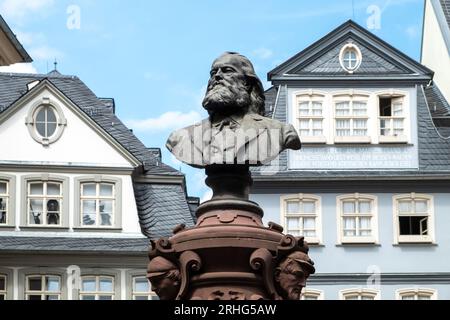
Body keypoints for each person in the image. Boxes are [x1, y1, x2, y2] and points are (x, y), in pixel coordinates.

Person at [166, 52, 301, 168]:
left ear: (247, 83)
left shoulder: (281, 131)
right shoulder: (181, 137)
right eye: (213, 72)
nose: (217, 76)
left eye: (227, 70)